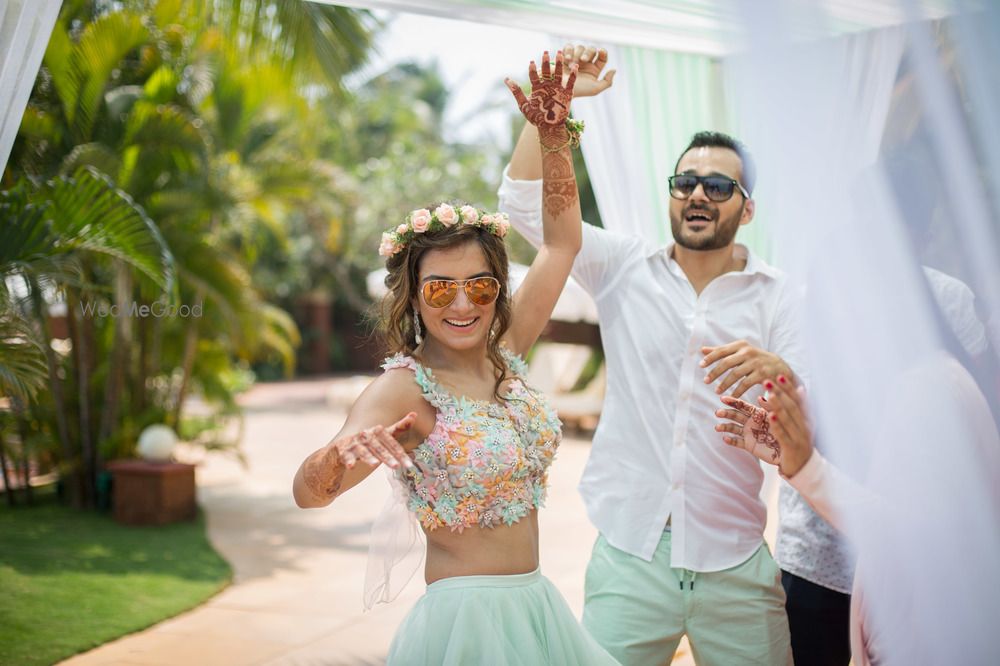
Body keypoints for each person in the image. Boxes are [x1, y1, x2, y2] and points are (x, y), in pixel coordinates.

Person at [292, 51, 618, 665]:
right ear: (415, 295)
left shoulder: (508, 351)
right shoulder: (403, 388)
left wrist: (555, 133)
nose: (462, 302)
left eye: (480, 285)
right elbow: (310, 496)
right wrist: (330, 460)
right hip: (467, 626)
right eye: (441, 287)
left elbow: (561, 241)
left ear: (498, 289)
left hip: (538, 609)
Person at [499, 45, 797, 665]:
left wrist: (783, 372)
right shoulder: (620, 267)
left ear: (748, 207)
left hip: (735, 560)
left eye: (719, 186)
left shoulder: (781, 297)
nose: (698, 194)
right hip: (629, 557)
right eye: (685, 182)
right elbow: (525, 207)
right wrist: (550, 114)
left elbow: (819, 395)